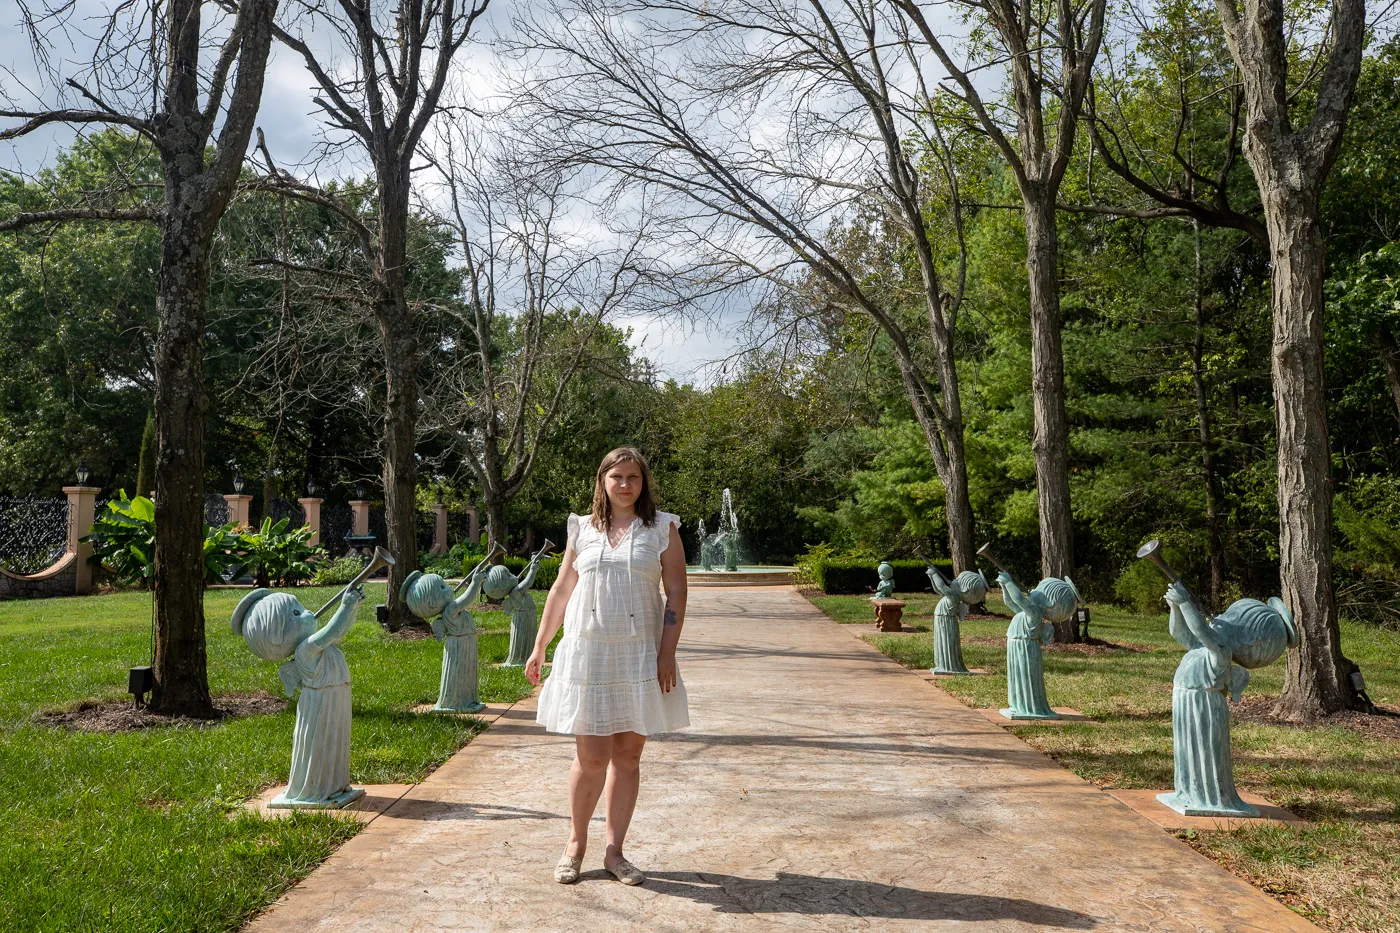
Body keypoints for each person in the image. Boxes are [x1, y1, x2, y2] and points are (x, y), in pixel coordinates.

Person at [525, 446, 689, 887]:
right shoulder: (582, 528)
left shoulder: (662, 528)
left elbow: (676, 591)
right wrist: (540, 645)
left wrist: (667, 652)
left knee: (629, 755)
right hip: (590, 653)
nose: (625, 484)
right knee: (592, 756)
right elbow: (562, 589)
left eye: (633, 477)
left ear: (643, 482)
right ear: (602, 480)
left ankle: (615, 851)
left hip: (639, 654)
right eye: (616, 476)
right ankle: (575, 844)